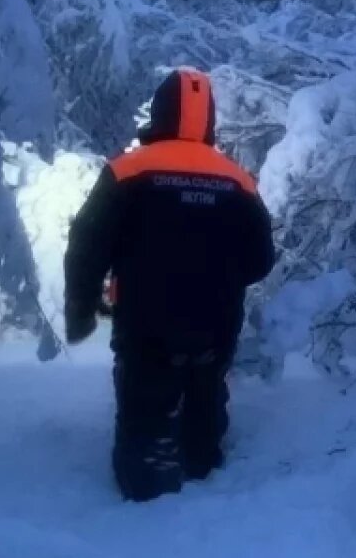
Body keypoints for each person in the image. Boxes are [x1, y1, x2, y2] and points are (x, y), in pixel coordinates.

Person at [62, 67, 276, 502]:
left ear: (160, 112)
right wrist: (218, 277)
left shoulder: (128, 171)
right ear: (209, 119)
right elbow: (260, 261)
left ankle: (149, 484)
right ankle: (202, 463)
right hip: (215, 326)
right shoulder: (237, 180)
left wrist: (81, 308)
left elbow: (87, 246)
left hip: (146, 324)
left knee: (146, 407)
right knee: (206, 401)